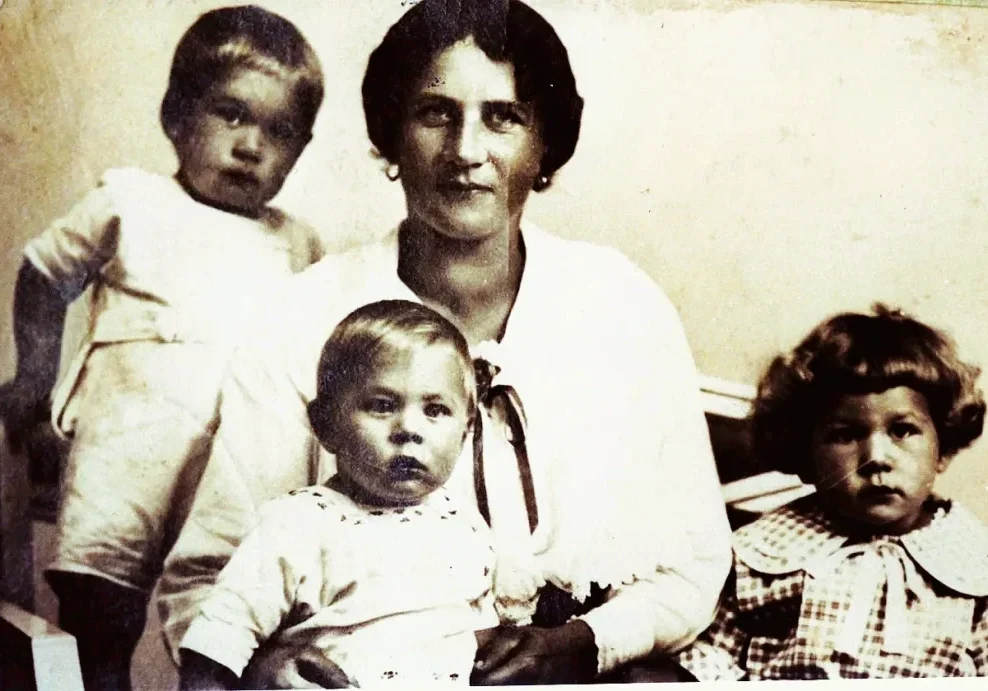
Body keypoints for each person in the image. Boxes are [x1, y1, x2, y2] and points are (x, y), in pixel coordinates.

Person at [159, 0, 732, 685]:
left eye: (503, 116)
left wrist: (587, 642)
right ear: (392, 136)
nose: (466, 151)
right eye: (435, 113)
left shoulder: (622, 307)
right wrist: (266, 674)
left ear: (544, 143)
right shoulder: (306, 313)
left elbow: (697, 560)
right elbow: (207, 572)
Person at [0, 6, 325, 690]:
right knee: (101, 628)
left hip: (232, 472)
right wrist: (34, 376)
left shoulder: (297, 244)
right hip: (128, 451)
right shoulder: (131, 200)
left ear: (300, 149)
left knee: (222, 627)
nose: (250, 145)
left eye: (279, 130)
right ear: (177, 115)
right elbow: (43, 273)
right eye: (230, 114)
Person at [179, 300, 504, 689]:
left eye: (435, 410)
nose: (409, 429)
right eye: (382, 407)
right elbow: (212, 652)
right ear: (326, 425)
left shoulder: (464, 523)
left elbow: (482, 638)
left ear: (466, 430)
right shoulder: (297, 525)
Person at [676, 305, 988, 679]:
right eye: (845, 435)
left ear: (943, 447)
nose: (876, 458)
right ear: (804, 454)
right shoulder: (764, 554)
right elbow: (709, 663)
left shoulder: (974, 566)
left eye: (903, 430)